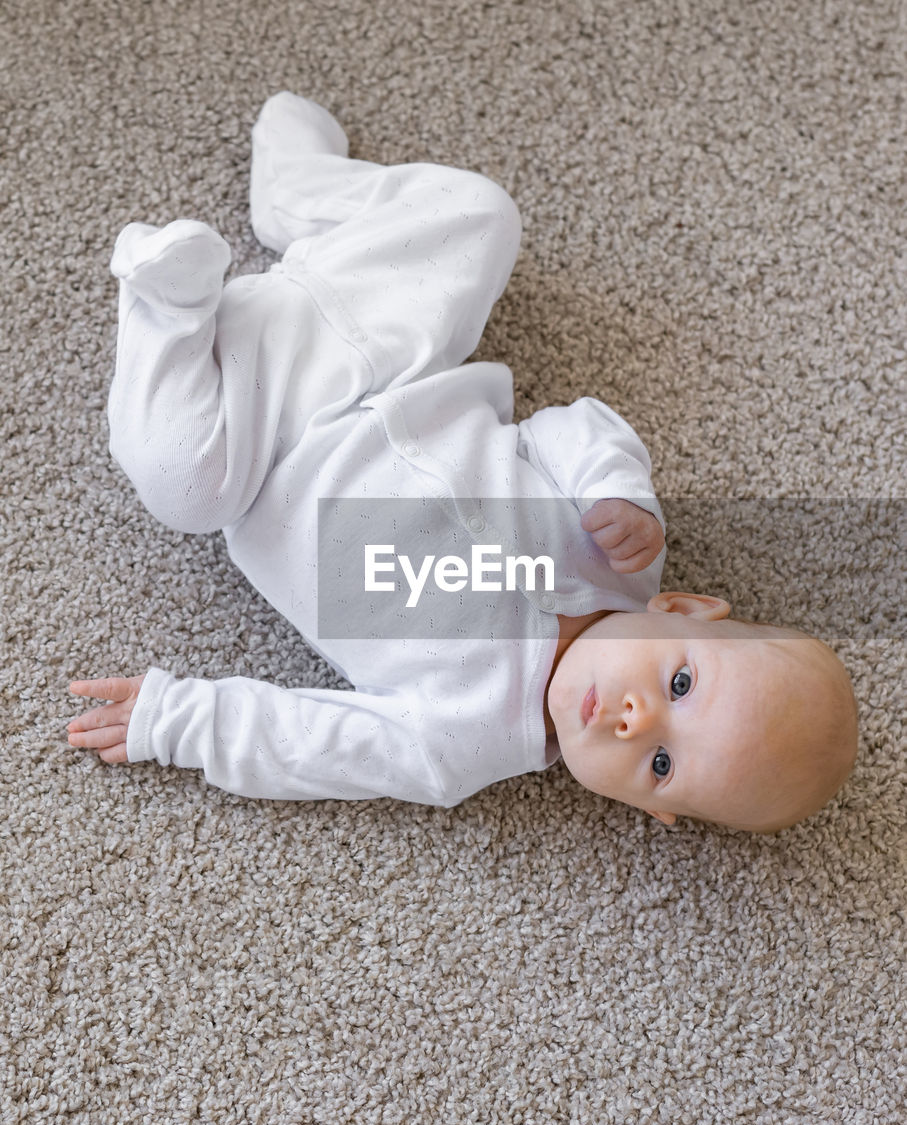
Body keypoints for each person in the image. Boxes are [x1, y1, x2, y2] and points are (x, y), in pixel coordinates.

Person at [67, 93, 858, 833]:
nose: (634, 719)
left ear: (652, 812)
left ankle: (169, 308)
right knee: (479, 213)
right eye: (679, 685)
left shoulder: (462, 744)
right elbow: (568, 426)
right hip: (387, 361)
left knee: (176, 481)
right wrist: (616, 486)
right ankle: (299, 191)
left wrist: (175, 721)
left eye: (660, 764)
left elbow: (314, 739)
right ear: (682, 611)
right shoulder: (620, 547)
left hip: (252, 458)